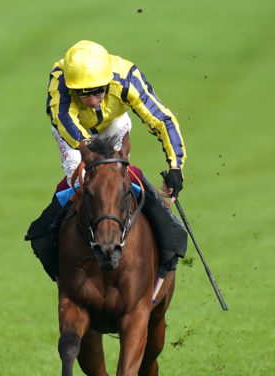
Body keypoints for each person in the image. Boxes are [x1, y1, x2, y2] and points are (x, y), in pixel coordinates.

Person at [25, 40, 188, 281]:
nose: (92, 101)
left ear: (108, 83)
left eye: (98, 92)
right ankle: (50, 243)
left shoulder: (126, 78)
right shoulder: (61, 79)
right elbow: (63, 119)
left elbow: (161, 119)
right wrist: (90, 149)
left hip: (114, 125)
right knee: (81, 179)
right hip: (77, 133)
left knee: (117, 176)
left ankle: (167, 239)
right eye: (83, 93)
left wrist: (176, 166)